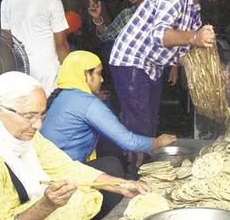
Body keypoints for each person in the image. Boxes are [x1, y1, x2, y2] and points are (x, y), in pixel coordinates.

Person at [0, 72, 148, 220]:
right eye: (29, 116)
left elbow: (65, 167)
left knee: (94, 180)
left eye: (42, 115)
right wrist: (46, 205)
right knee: (71, 204)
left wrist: (122, 184)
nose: (38, 125)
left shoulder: (27, 139)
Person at [108, 0, 230, 167]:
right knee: (139, 126)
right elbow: (160, 36)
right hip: (131, 62)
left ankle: (142, 168)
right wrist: (195, 36)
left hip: (151, 67)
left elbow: (185, 54)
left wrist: (214, 74)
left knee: (149, 124)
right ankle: (132, 175)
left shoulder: (194, 9)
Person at [40, 50, 177, 166]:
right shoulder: (87, 103)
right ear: (85, 75)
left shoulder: (64, 96)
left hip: (49, 167)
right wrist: (158, 142)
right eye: (98, 73)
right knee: (112, 165)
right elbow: (128, 142)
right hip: (62, 171)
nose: (102, 80)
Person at [0, 0, 70, 96]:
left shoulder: (8, 0)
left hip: (21, 68)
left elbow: (6, 42)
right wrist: (71, 68)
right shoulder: (52, 1)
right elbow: (61, 44)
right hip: (46, 71)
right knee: (47, 109)